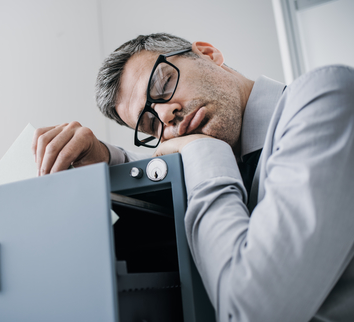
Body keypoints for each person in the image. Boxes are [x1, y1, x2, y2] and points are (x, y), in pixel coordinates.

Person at [31, 33, 354, 321]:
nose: (165, 116)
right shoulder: (225, 155)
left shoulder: (321, 95)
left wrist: (202, 149)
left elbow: (252, 311)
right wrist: (105, 156)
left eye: (163, 85)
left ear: (209, 53)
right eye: (150, 126)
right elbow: (167, 165)